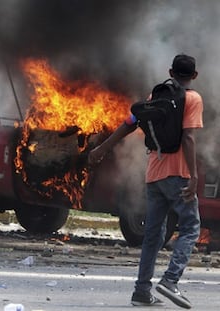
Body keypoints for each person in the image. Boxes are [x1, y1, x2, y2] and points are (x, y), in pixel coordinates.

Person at [88, 54, 203, 309]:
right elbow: (188, 138)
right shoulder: (192, 98)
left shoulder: (156, 98)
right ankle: (170, 280)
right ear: (194, 76)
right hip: (178, 175)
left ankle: (141, 291)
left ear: (171, 71)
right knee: (191, 227)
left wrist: (102, 149)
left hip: (153, 175)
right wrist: (193, 176)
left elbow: (130, 122)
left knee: (154, 234)